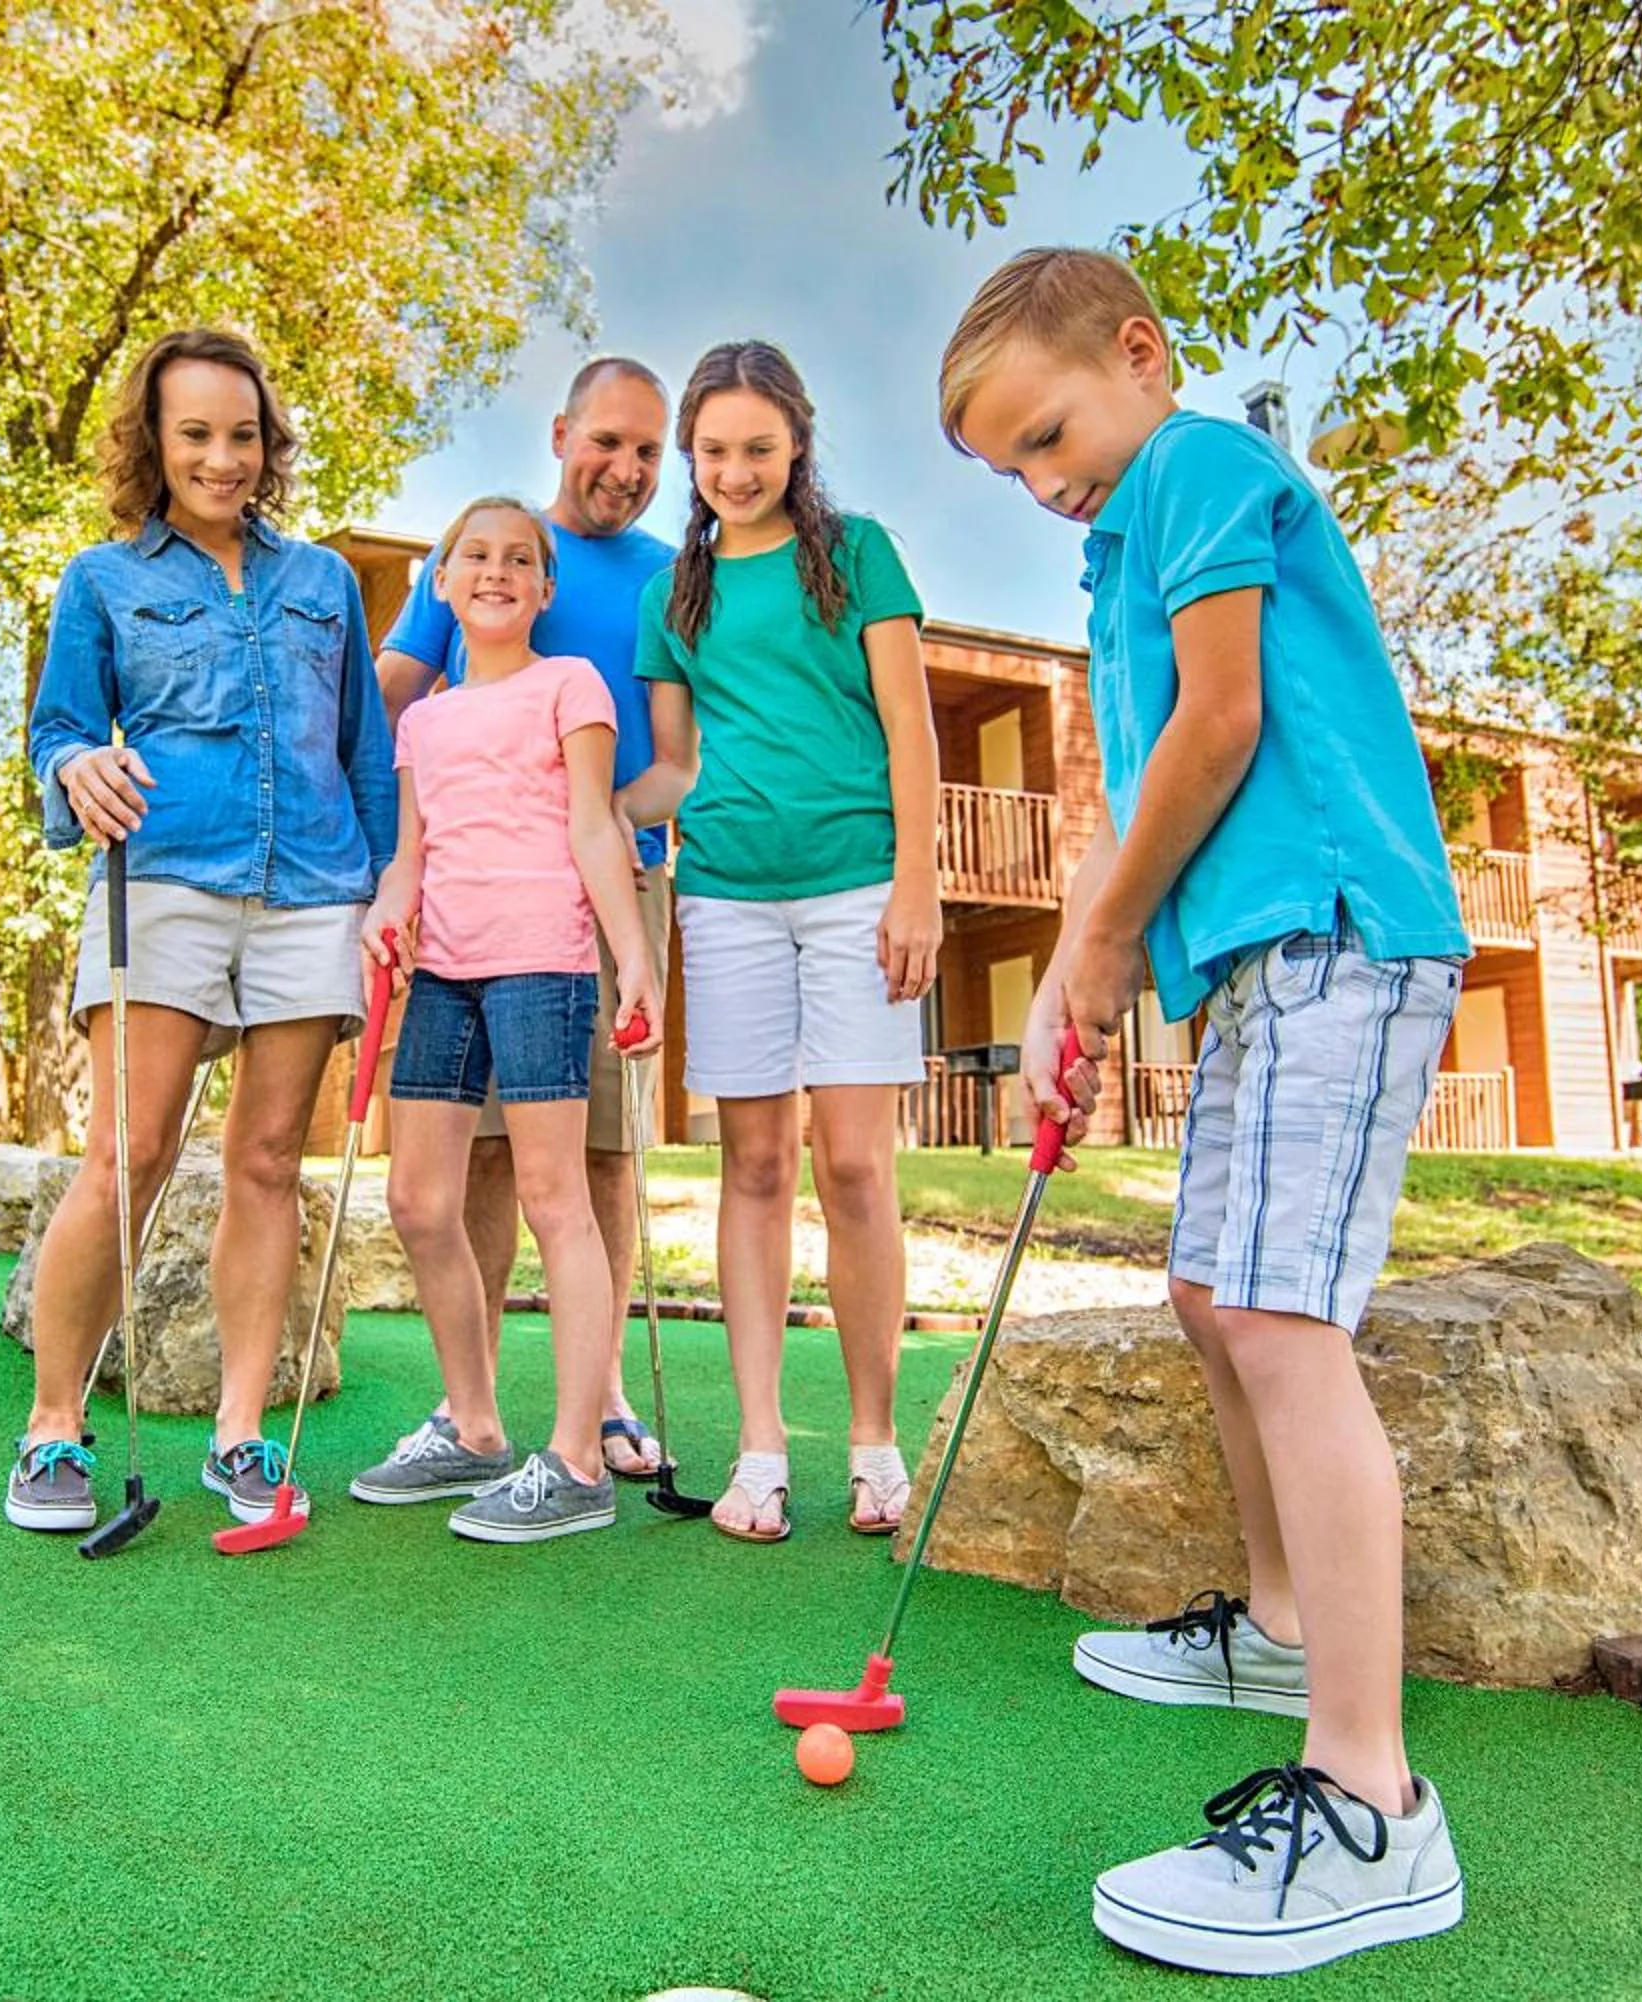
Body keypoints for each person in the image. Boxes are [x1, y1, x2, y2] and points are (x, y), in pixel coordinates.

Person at [942, 247, 1472, 1975]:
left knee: (1275, 1315)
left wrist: (1087, 935)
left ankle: (1373, 1804)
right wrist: (1101, 968)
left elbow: (1226, 721)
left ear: (1140, 353)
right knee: (1207, 1292)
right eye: (1007, 467)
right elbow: (1159, 768)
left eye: (1045, 432)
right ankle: (1280, 1622)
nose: (1040, 480)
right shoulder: (1124, 535)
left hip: (1339, 930)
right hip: (1259, 962)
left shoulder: (1197, 466)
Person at [7, 326, 396, 1535]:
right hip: (164, 878)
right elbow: (57, 732)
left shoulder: (325, 582)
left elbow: (362, 756)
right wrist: (76, 770)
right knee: (128, 1154)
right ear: (156, 443)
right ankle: (53, 1430)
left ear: (269, 441)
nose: (223, 458)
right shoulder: (104, 580)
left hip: (313, 891)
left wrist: (387, 891)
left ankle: (240, 1432)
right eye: (196, 435)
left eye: (243, 434)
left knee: (270, 1159)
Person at [617, 340, 942, 1545]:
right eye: (712, 452)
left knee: (854, 1166)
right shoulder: (674, 594)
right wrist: (597, 812)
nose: (734, 471)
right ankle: (760, 1451)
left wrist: (921, 884)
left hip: (860, 887)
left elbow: (912, 730)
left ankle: (872, 1443)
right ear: (690, 459)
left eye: (758, 448)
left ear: (796, 443)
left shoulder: (856, 555)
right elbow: (675, 766)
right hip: (730, 898)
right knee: (753, 1167)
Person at [371, 357, 679, 1481]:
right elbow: (391, 710)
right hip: (454, 913)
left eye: (651, 452)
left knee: (587, 1162)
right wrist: (383, 881)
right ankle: (477, 1408)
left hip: (581, 896)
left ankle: (590, 1415)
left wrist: (593, 853)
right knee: (466, 1169)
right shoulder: (461, 600)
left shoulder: (661, 579)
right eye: (609, 442)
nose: (628, 468)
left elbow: (662, 764)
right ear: (562, 433)